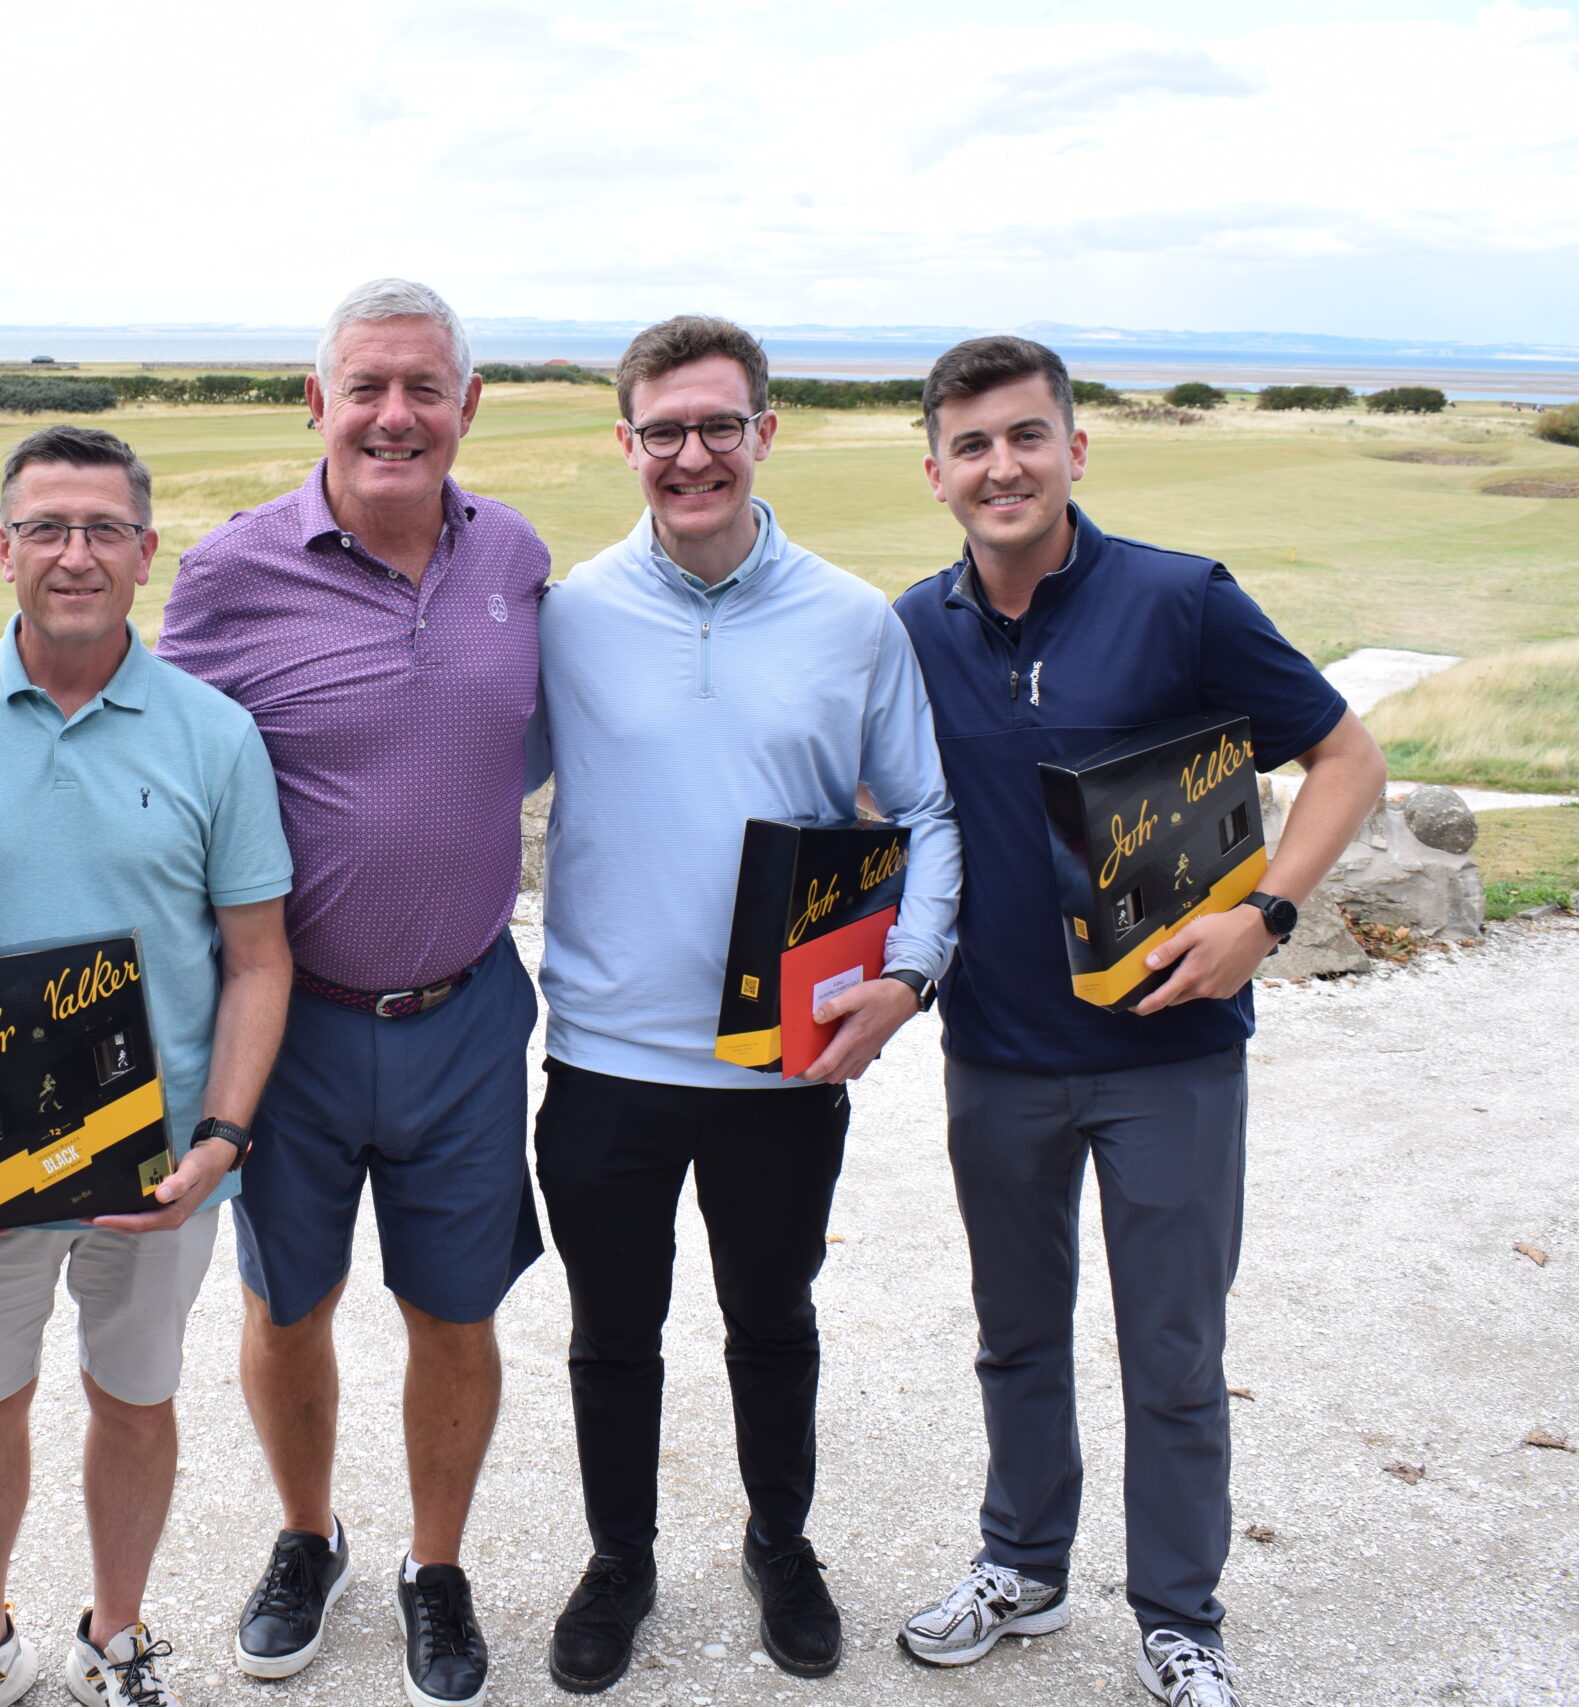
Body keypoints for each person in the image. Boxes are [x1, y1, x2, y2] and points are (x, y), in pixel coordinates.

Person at [888, 336, 1387, 1707]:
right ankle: (1023, 1563)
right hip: (994, 1055)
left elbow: (1347, 754)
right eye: (974, 444)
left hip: (1168, 1059)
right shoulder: (912, 628)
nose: (1004, 464)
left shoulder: (1181, 601)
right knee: (1016, 1331)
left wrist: (1268, 916)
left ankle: (1180, 1615)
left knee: (1173, 1351)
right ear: (937, 472)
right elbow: (888, 817)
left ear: (1075, 449)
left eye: (1027, 435)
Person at [528, 315, 962, 1691]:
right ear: (629, 443)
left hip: (783, 1055)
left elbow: (931, 808)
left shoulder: (849, 617)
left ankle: (782, 1539)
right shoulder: (573, 611)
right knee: (614, 1332)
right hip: (604, 1055)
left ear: (765, 432)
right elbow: (470, 772)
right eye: (666, 429)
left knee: (772, 1319)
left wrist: (908, 973)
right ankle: (622, 1557)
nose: (694, 453)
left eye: (721, 424)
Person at [155, 278, 548, 1707]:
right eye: (365, 386)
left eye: (423, 387)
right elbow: (155, 773)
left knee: (457, 1310)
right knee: (287, 1301)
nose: (396, 414)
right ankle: (307, 1534)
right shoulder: (227, 575)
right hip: (294, 1024)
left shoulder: (514, 552)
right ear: (313, 402)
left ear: (465, 406)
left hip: (467, 1013)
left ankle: (435, 1567)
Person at [0, 425, 296, 1707]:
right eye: (47, 527)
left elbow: (259, 960)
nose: (76, 554)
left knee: (134, 1399)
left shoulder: (216, 735)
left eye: (104, 528)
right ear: (1, 549)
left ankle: (115, 1637)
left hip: (157, 1163)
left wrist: (219, 1138)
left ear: (146, 553)